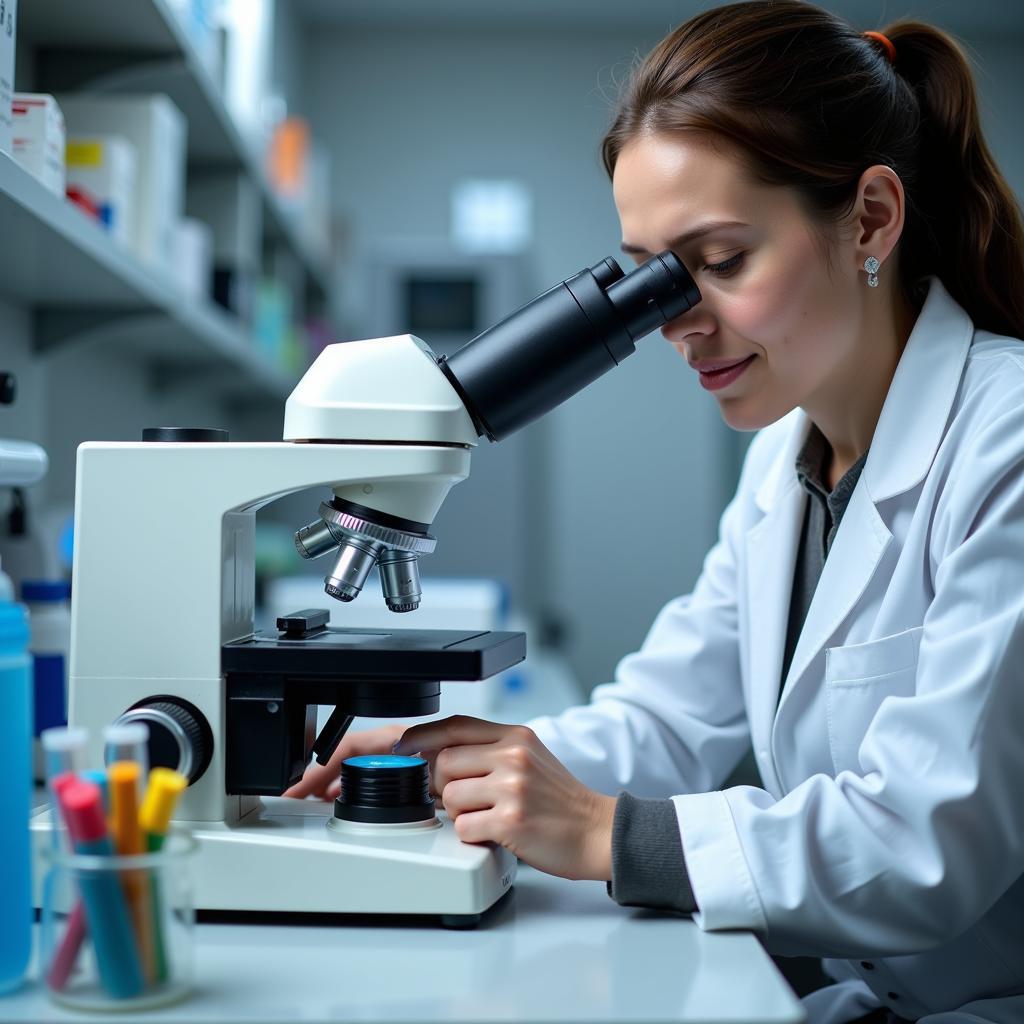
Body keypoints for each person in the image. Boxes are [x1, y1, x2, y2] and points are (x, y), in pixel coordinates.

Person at [285, 3, 1024, 1021]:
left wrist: (604, 835)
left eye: (719, 260)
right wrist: (456, 759)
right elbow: (665, 721)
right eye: (652, 275)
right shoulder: (784, 461)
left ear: (869, 219)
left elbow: (928, 837)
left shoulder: (1007, 439)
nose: (677, 321)